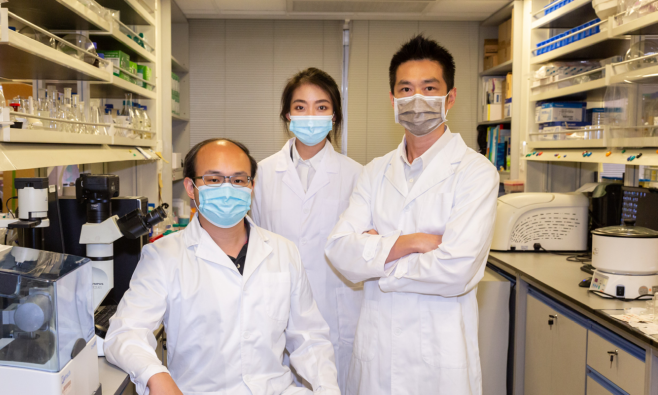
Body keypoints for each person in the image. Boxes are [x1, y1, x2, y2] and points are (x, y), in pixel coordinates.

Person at [325, 35, 499, 394]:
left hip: (440, 358)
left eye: (429, 87)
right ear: (392, 99)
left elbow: (457, 269)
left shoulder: (475, 172)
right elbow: (340, 250)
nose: (416, 99)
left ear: (450, 97)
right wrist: (413, 243)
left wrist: (379, 261)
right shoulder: (374, 171)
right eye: (405, 89)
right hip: (377, 356)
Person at [104, 139, 340, 395]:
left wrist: (326, 389)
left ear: (252, 185)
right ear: (191, 188)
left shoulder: (284, 252)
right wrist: (156, 375)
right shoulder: (164, 256)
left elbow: (310, 339)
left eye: (239, 180)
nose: (228, 189)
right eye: (214, 180)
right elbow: (126, 332)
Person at [251, 68, 363, 393]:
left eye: (321, 106)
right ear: (287, 115)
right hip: (278, 311)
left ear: (334, 116)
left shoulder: (358, 176)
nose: (310, 116)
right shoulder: (260, 174)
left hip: (336, 314)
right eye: (300, 107)